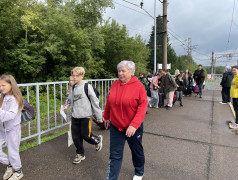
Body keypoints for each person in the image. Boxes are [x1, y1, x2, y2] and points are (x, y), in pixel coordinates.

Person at [104, 60, 147, 180]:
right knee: (114, 155)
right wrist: (106, 116)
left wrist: (134, 125)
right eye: (119, 71)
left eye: (123, 71)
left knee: (136, 151)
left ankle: (139, 171)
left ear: (131, 72)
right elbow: (109, 101)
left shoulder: (138, 86)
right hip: (116, 126)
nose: (120, 73)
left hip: (133, 127)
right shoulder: (115, 84)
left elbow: (142, 107)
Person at [70, 67, 103, 164]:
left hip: (86, 116)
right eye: (73, 75)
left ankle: (97, 140)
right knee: (75, 137)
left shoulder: (87, 86)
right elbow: (72, 102)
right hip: (75, 116)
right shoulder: (73, 87)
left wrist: (99, 116)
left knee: (86, 135)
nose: (74, 77)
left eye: (77, 75)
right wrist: (71, 114)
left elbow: (95, 101)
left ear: (82, 76)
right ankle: (80, 154)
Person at [0, 74, 24, 180]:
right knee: (10, 153)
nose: (1, 88)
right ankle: (10, 164)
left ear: (11, 85)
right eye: (0, 86)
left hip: (12, 130)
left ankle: (18, 171)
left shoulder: (15, 99)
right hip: (2, 129)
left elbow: (10, 115)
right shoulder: (2, 97)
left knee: (13, 151)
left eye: (3, 85)